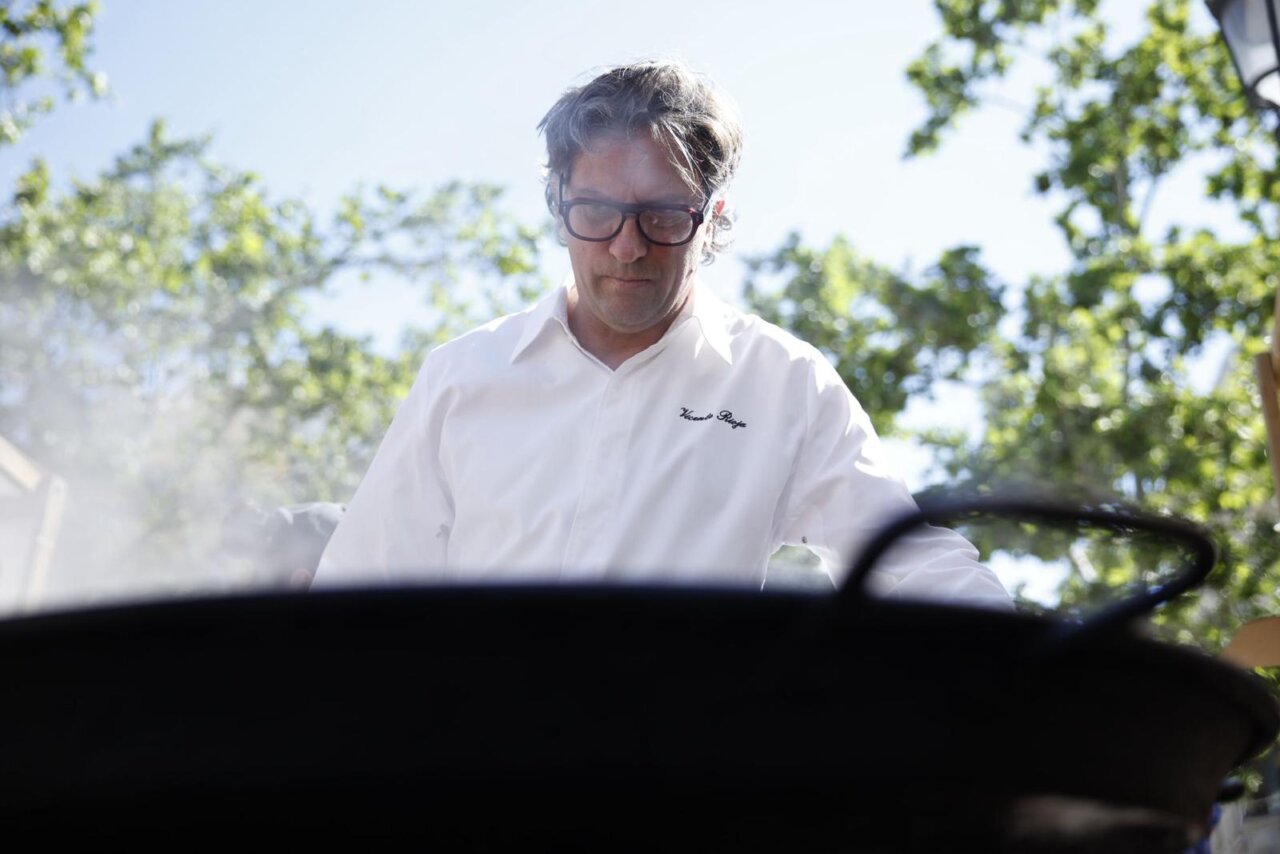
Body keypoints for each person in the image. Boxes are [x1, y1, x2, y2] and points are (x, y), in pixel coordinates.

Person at [313, 59, 1009, 608]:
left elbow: (910, 563)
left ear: (711, 217)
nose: (627, 247)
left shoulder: (783, 384)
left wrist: (1039, 662)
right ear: (557, 204)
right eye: (596, 211)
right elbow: (359, 588)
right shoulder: (463, 376)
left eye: (664, 215)